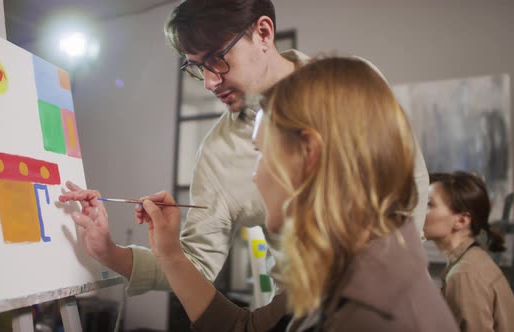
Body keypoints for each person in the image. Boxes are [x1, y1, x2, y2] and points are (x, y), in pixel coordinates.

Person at [58, 0, 428, 315]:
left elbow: (411, 190)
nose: (209, 82)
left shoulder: (355, 86)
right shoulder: (218, 153)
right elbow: (197, 264)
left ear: (264, 33)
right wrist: (111, 252)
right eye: (196, 67)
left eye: (217, 59)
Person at [138, 57, 458, 331]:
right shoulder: (348, 269)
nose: (256, 175)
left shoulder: (368, 316)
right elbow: (245, 328)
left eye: (262, 153)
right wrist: (171, 255)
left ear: (309, 153)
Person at [425, 171, 514, 332]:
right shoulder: (471, 260)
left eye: (429, 205)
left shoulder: (464, 275)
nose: (419, 212)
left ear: (461, 220)